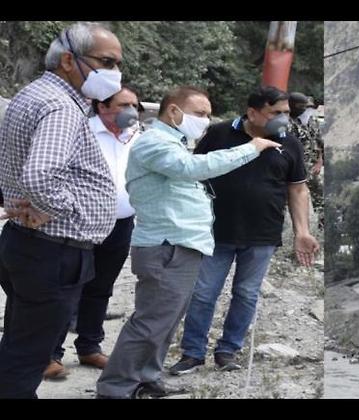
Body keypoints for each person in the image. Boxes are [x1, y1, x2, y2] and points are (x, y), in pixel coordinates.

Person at [95, 86, 281, 399]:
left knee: (165, 322)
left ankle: (147, 377)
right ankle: (116, 388)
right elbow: (191, 169)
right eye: (199, 113)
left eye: (208, 114)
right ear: (173, 112)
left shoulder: (176, 143)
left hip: (182, 246)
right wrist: (251, 147)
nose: (205, 121)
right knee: (150, 322)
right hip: (166, 246)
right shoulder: (155, 143)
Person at [0, 22, 120, 399]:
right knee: (28, 354)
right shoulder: (60, 106)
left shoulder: (33, 95)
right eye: (107, 61)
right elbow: (40, 175)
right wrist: (57, 209)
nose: (115, 73)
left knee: (20, 342)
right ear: (69, 59)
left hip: (31, 245)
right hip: (53, 249)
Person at [168, 86, 319, 375]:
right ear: (252, 112)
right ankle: (192, 353)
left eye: (287, 113)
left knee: (247, 294)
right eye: (276, 113)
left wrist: (302, 231)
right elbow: (194, 172)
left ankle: (228, 351)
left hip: (262, 233)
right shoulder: (219, 134)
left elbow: (297, 190)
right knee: (203, 293)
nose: (284, 119)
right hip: (215, 230)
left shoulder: (290, 144)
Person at [45, 86, 143, 380]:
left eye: (135, 105)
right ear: (102, 107)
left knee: (101, 287)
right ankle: (50, 353)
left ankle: (89, 345)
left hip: (121, 223)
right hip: (82, 224)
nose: (132, 111)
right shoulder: (81, 132)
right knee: (69, 288)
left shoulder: (137, 136)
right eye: (125, 105)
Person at [288, 92, 323, 218]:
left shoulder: (312, 121)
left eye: (310, 107)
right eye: (305, 107)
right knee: (293, 201)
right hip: (293, 169)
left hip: (311, 168)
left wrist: (319, 162)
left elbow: (320, 142)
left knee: (320, 197)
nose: (309, 110)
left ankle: (322, 226)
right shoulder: (287, 124)